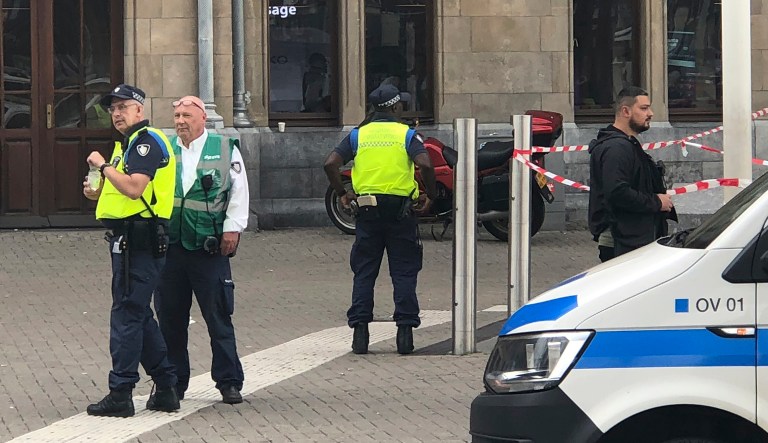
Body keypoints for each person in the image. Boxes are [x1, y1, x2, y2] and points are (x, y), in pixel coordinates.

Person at [82, 84, 180, 417]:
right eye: (113, 109)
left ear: (140, 109)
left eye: (123, 107)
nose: (117, 114)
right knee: (138, 314)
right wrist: (97, 189)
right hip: (129, 241)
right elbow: (120, 190)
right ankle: (166, 387)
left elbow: (135, 188)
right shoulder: (127, 145)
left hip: (140, 243)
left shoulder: (145, 143)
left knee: (126, 316)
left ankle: (121, 393)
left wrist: (103, 166)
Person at [323, 84, 438, 355]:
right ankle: (405, 335)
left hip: (367, 212)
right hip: (400, 213)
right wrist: (431, 195)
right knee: (404, 272)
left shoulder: (358, 135)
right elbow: (425, 164)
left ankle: (360, 335)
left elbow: (330, 163)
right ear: (396, 107)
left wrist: (342, 193)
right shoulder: (406, 135)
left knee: (364, 272)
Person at [153, 95, 248, 404]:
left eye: (187, 116)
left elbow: (238, 190)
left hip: (209, 247)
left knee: (218, 318)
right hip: (171, 247)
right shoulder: (165, 149)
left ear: (203, 119)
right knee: (170, 320)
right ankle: (173, 383)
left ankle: (229, 381)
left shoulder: (224, 148)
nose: (180, 121)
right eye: (177, 116)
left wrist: (232, 227)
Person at [588, 86, 675, 262]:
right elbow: (617, 192)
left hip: (632, 238)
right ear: (625, 111)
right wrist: (657, 202)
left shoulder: (627, 144)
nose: (650, 113)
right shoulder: (616, 148)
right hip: (623, 241)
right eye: (644, 108)